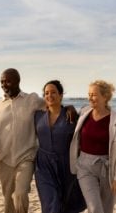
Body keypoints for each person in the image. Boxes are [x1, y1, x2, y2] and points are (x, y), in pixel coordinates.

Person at [0, 68, 44, 213]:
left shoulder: (32, 100)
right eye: (2, 82)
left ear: (18, 81)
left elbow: (51, 106)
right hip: (4, 160)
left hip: (26, 157)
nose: (4, 85)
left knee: (20, 193)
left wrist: (68, 109)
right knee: (8, 199)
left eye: (8, 81)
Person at [69, 80, 116, 213]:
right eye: (89, 94)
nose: (90, 98)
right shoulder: (84, 113)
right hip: (84, 167)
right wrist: (68, 108)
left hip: (108, 169)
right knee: (95, 208)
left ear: (105, 97)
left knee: (106, 209)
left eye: (94, 95)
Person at [34, 80, 86, 213]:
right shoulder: (37, 116)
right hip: (43, 166)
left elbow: (82, 137)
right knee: (51, 201)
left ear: (61, 95)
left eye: (53, 92)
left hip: (66, 165)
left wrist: (70, 107)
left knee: (66, 204)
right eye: (46, 93)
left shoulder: (71, 116)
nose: (49, 95)